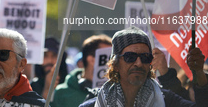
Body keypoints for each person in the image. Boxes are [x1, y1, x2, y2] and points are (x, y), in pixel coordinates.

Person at [79, 26, 208, 107]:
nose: (139, 63)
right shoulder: (93, 104)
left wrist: (199, 74)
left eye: (145, 57)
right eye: (130, 57)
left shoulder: (167, 100)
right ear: (115, 64)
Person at [51, 34, 112, 107]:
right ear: (91, 60)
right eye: (108, 57)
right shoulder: (61, 92)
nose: (112, 62)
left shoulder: (116, 92)